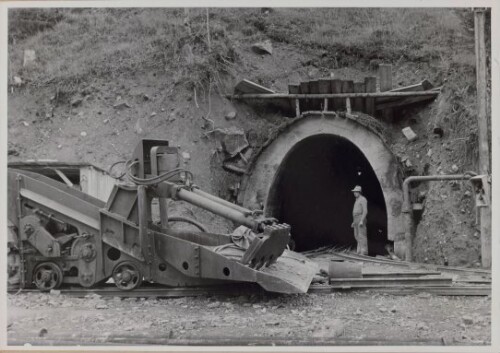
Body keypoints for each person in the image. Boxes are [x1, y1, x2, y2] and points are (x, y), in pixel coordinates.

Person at [351, 185, 368, 255]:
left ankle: (364, 251)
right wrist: (353, 221)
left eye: (356, 192)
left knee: (362, 236)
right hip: (356, 219)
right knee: (356, 235)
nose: (354, 193)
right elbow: (355, 211)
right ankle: (359, 250)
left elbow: (365, 211)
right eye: (354, 192)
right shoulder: (356, 200)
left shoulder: (363, 199)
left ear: (359, 192)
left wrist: (361, 220)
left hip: (361, 218)